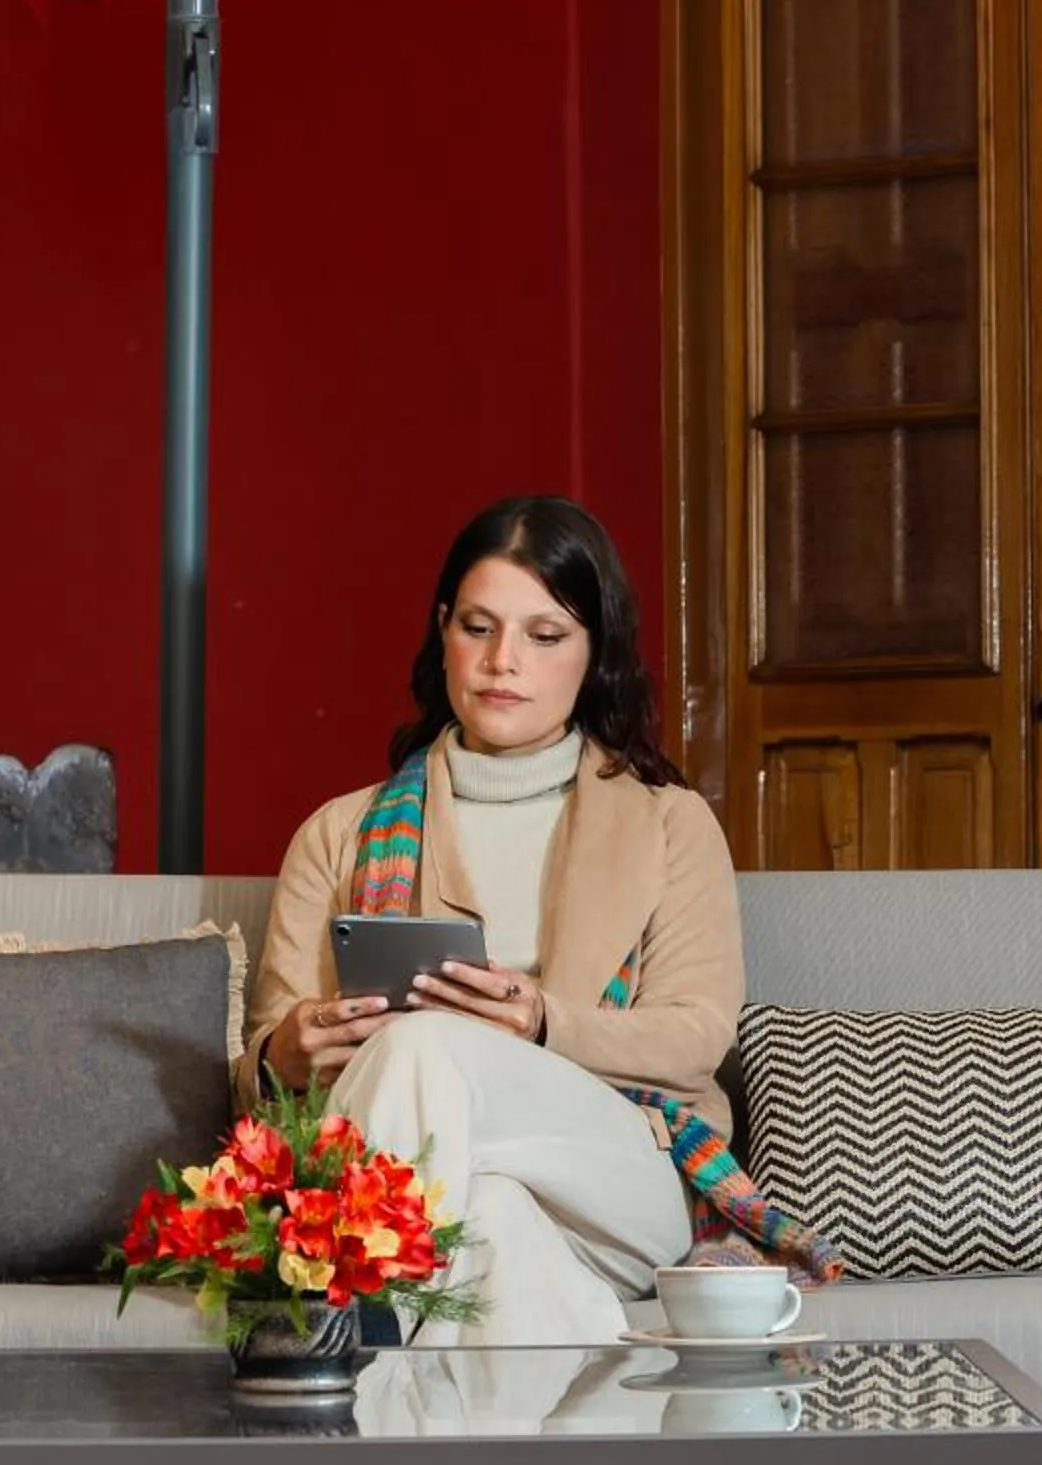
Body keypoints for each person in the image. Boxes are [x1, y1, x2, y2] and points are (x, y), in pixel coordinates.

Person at [242, 495, 825, 1345]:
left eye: (544, 636)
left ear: (594, 655)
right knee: (492, 1225)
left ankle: (334, 1322)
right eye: (478, 628)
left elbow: (694, 1036)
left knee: (421, 1044)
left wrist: (542, 1020)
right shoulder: (338, 833)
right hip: (430, 1168)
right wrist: (288, 1050)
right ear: (443, 632)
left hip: (616, 1172)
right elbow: (263, 1059)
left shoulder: (671, 824)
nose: (502, 661)